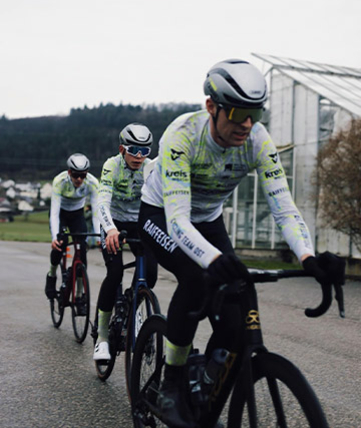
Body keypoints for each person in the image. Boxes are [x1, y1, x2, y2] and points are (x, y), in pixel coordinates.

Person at [138, 59, 344, 428]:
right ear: (211, 107)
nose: (247, 124)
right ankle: (171, 381)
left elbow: (284, 208)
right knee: (193, 276)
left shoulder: (257, 141)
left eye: (255, 113)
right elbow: (179, 221)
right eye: (237, 113)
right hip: (161, 215)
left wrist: (308, 256)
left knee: (236, 305)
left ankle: (205, 382)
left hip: (208, 219)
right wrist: (214, 259)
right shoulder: (181, 136)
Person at [93, 123, 158, 360]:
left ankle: (131, 303)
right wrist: (109, 229)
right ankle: (101, 338)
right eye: (133, 150)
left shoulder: (151, 168)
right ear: (122, 148)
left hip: (140, 222)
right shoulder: (112, 165)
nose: (139, 157)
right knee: (114, 272)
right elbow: (102, 201)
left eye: (145, 151)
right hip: (114, 222)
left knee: (150, 274)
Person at [44, 153, 100, 302]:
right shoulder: (60, 181)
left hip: (77, 214)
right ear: (69, 172)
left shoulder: (93, 183)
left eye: (83, 175)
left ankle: (80, 295)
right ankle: (51, 275)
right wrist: (54, 237)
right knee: (60, 245)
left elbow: (96, 212)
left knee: (82, 251)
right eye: (76, 175)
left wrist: (99, 234)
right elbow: (54, 212)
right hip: (61, 213)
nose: (79, 179)